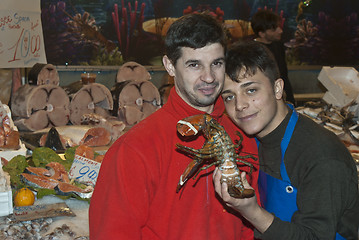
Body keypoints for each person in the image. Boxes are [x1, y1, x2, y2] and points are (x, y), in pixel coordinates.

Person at [89, 13, 259, 239]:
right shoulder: (134, 149)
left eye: (216, 63)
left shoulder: (243, 132)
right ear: (169, 65)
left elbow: (251, 226)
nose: (208, 77)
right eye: (194, 65)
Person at [214, 40, 359, 239]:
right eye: (229, 96)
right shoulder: (252, 139)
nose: (240, 105)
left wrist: (252, 212)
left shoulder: (321, 156)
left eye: (251, 90)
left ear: (277, 89)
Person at [250, 9, 296, 106]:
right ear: (261, 33)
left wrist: (291, 101)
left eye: (278, 27)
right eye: (274, 29)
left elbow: (284, 75)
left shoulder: (278, 46)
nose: (280, 31)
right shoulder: (252, 51)